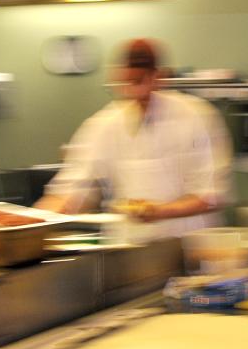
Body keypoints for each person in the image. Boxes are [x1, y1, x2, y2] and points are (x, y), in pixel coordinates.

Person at [35, 38, 232, 242]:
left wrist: (158, 211)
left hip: (191, 248)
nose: (134, 92)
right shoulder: (104, 125)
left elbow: (211, 196)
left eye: (140, 81)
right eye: (126, 83)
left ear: (159, 77)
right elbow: (73, 188)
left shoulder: (196, 117)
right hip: (131, 250)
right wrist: (33, 221)